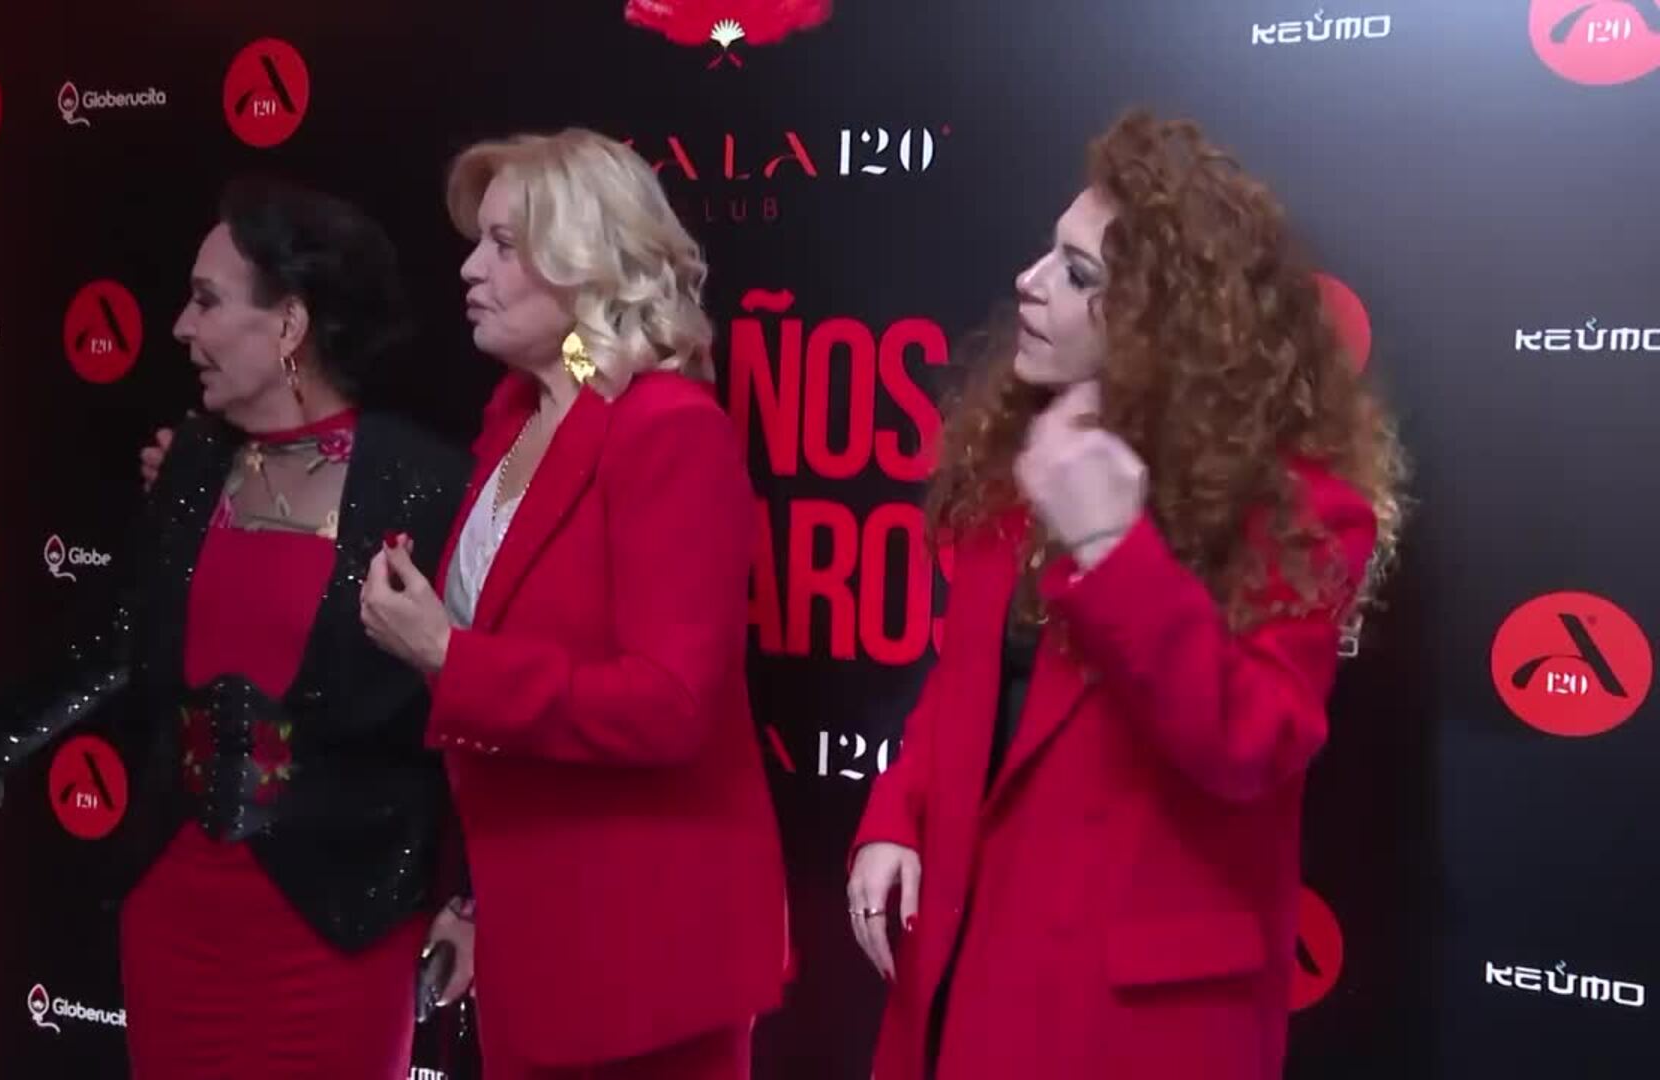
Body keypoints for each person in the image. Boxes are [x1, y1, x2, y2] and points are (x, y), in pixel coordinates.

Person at [0, 176, 475, 1079]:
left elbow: (467, 714)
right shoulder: (195, 463)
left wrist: (469, 904)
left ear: (289, 325)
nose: (180, 328)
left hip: (345, 924)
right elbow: (112, 646)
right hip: (177, 913)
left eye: (207, 302)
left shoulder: (424, 482)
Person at [845, 109, 1407, 1080]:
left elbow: (1251, 742)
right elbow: (965, 688)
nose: (1029, 281)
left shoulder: (1304, 512)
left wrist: (1113, 548)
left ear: (1160, 321)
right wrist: (898, 815)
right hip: (964, 971)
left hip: (1127, 1026)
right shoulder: (1023, 456)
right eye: (1050, 254)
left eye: (1076, 274)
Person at [355, 129, 790, 1080]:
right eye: (477, 241)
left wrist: (446, 655)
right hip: (537, 945)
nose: (469, 267)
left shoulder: (670, 432)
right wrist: (477, 903)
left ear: (588, 261)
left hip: (645, 972)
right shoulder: (524, 415)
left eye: (503, 245)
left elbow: (668, 706)